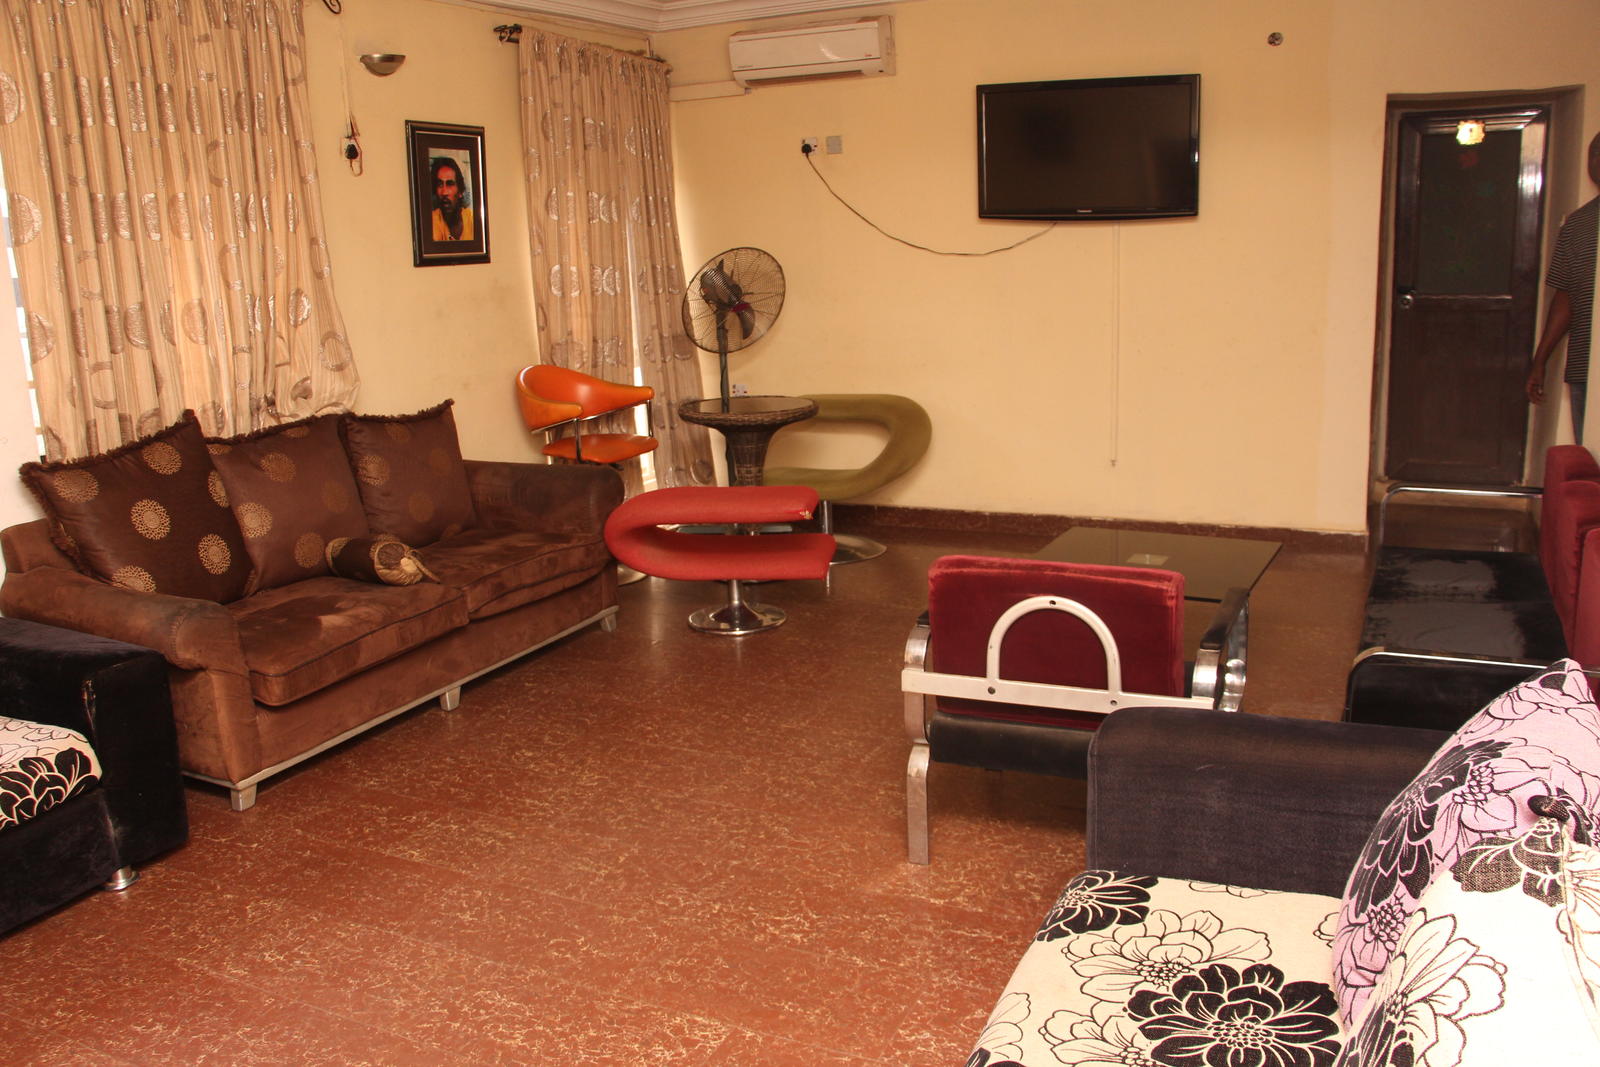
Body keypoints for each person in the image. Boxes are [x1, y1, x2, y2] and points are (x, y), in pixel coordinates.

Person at [1528, 131, 1600, 443]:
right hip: (1585, 367)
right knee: (1589, 459)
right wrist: (1540, 361)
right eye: (1593, 155)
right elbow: (1566, 297)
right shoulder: (1578, 224)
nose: (1594, 162)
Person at [429, 157, 474, 242]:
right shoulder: (432, 221)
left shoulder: (472, 219)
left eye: (450, 184)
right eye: (440, 184)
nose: (444, 192)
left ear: (460, 191)